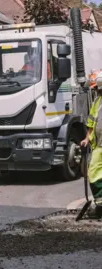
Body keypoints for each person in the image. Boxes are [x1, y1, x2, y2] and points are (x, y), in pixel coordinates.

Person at [80, 69, 102, 219]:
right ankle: (100, 204)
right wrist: (87, 138)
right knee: (93, 173)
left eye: (96, 88)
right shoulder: (97, 101)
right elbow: (92, 122)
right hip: (99, 145)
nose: (95, 90)